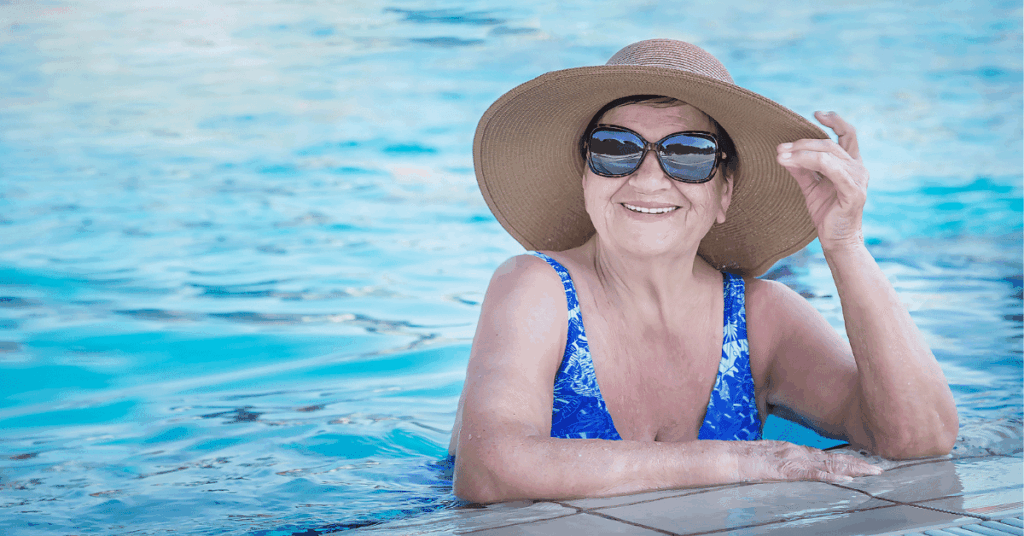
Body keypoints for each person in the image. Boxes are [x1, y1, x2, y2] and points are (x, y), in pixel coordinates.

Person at [448, 39, 958, 504]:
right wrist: (736, 461)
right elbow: (488, 471)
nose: (649, 178)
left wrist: (846, 246)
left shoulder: (761, 317)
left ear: (724, 192)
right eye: (615, 148)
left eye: (688, 153)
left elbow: (919, 440)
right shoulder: (536, 288)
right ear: (585, 176)